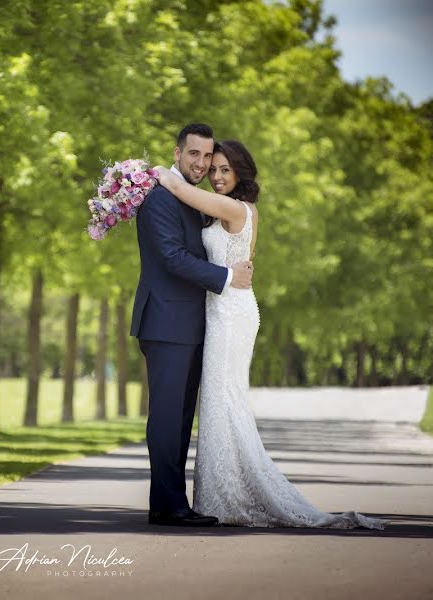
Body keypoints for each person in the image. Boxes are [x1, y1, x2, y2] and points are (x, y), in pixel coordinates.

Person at [155, 139, 386, 529]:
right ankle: (221, 495)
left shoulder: (233, 207)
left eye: (225, 169)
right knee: (219, 401)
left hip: (230, 313)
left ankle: (230, 497)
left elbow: (178, 188)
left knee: (223, 399)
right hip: (226, 307)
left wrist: (141, 175)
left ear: (242, 173)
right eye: (214, 169)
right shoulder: (233, 211)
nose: (216, 175)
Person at [130, 123, 254, 527]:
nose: (201, 164)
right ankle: (168, 505)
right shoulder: (159, 198)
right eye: (194, 155)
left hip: (194, 324)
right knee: (167, 417)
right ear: (178, 152)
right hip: (166, 323)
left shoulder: (196, 199)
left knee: (181, 417)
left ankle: (169, 504)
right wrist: (225, 278)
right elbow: (171, 256)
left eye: (207, 157)